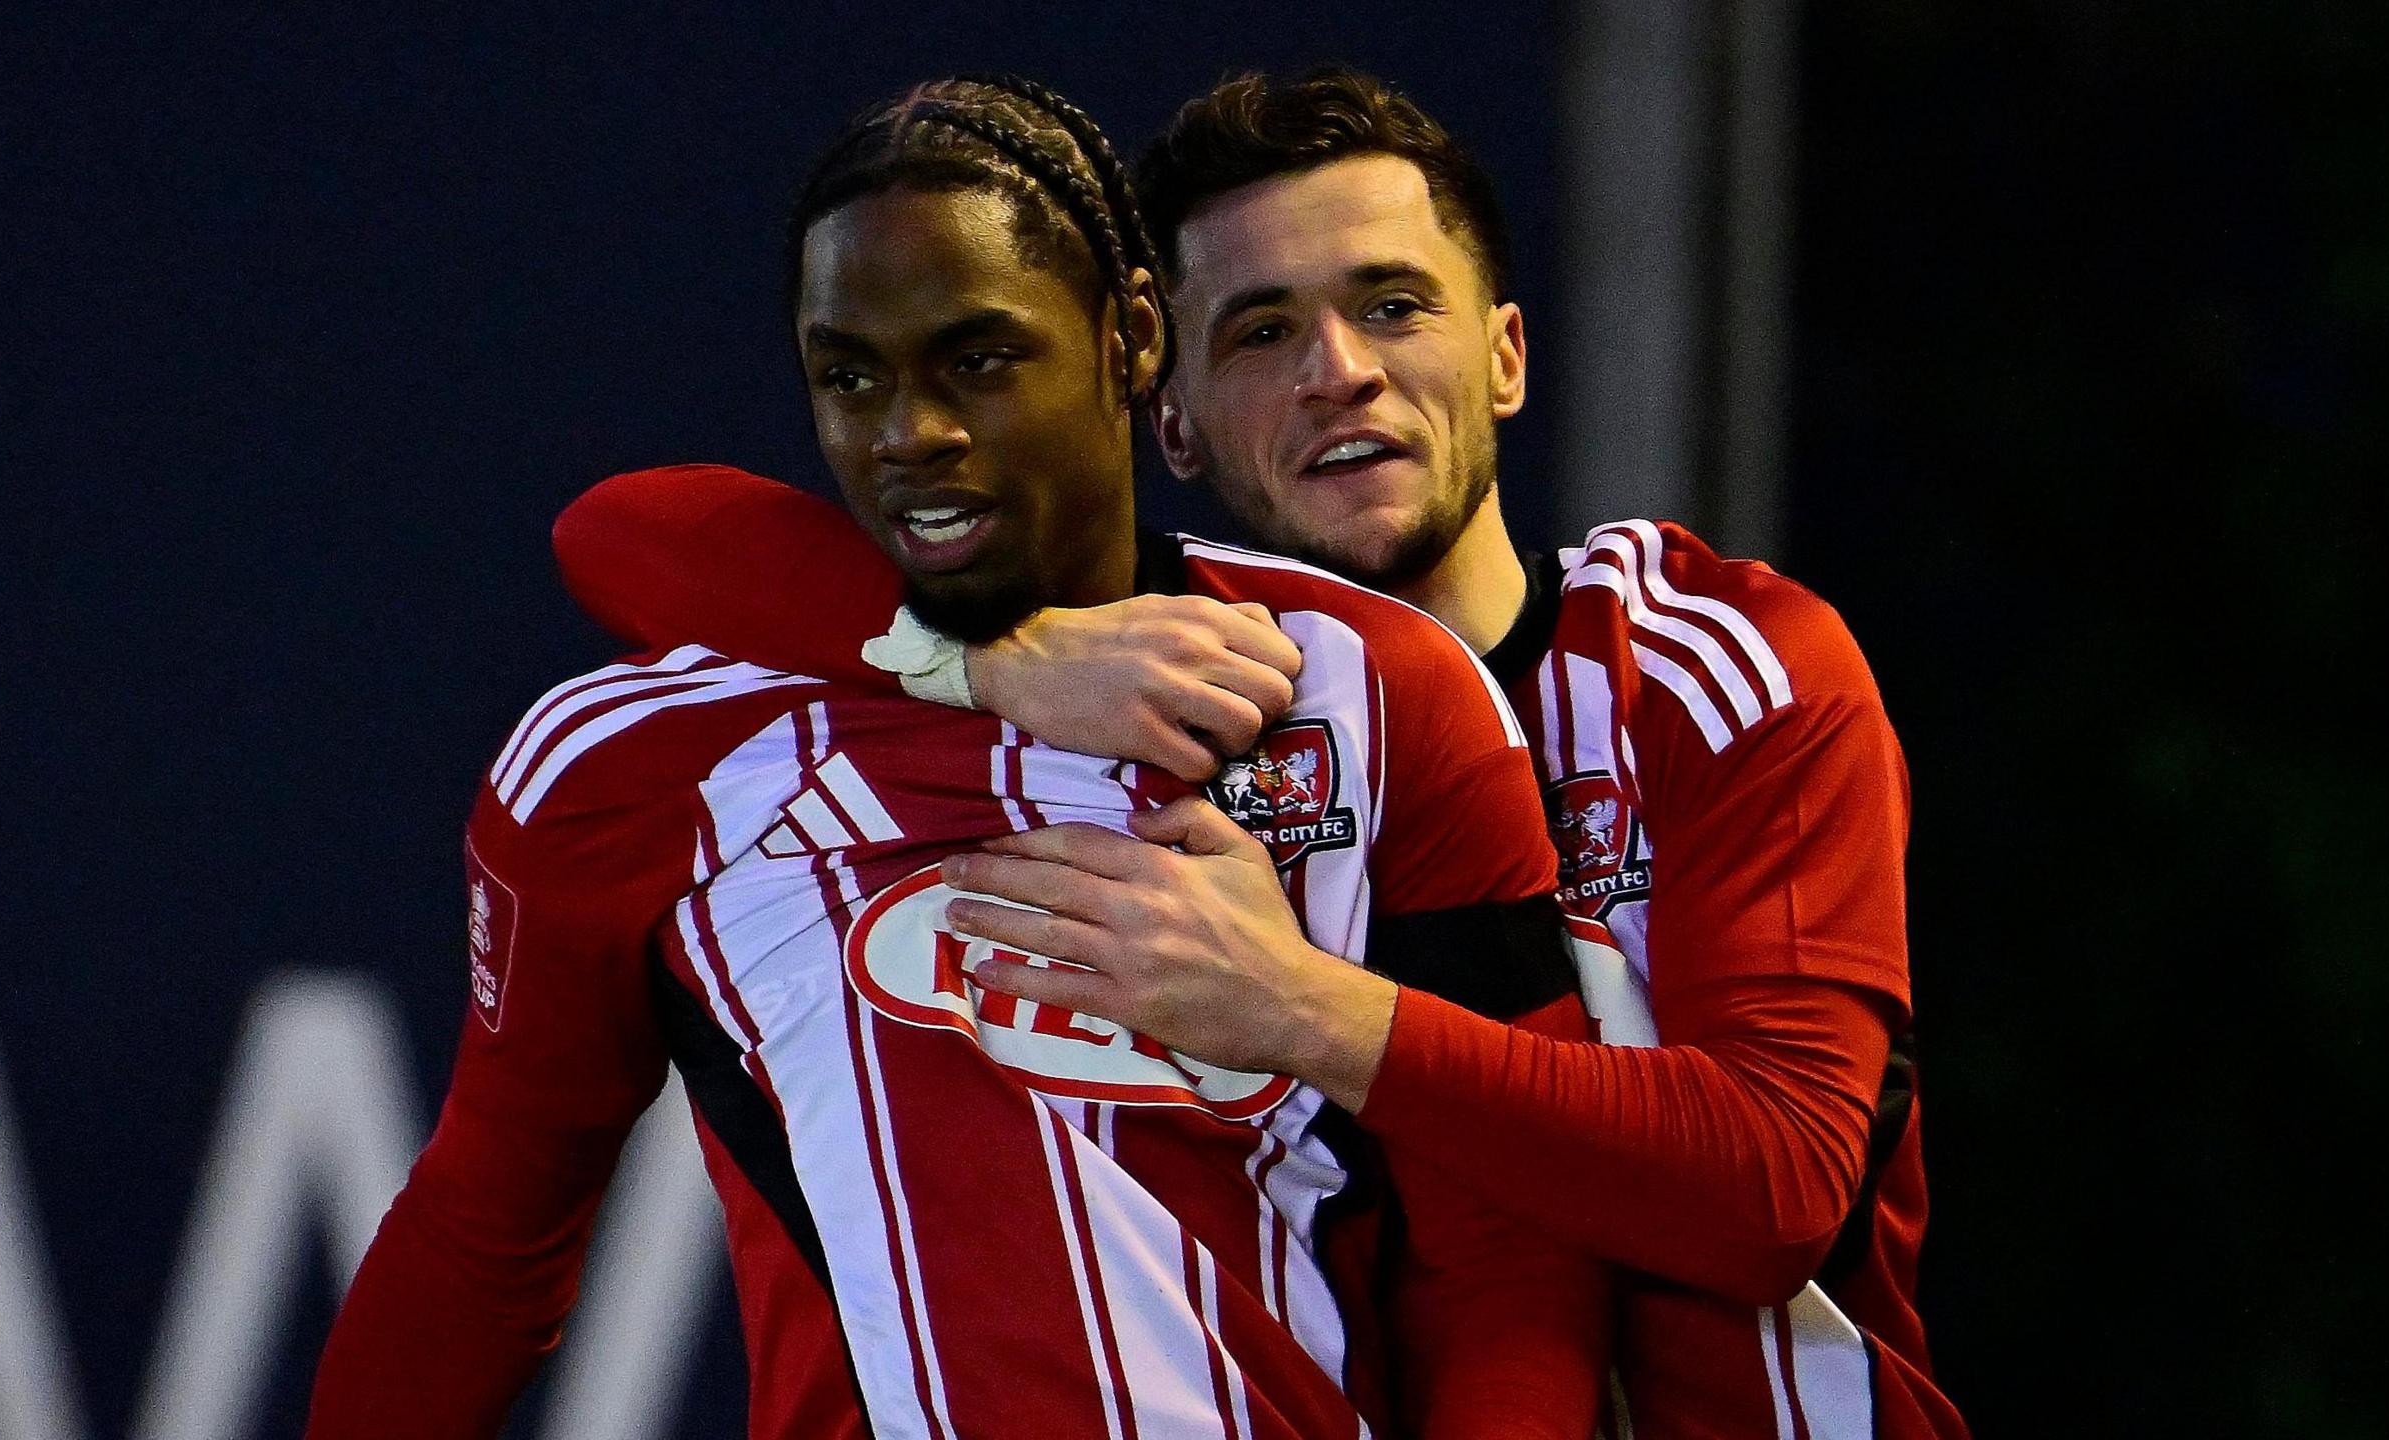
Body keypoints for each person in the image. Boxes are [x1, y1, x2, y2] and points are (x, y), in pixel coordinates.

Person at [559, 68, 1969, 1439]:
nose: (1340, 374)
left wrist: (1302, 1008)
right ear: (1160, 405)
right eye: (1260, 333)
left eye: (1393, 306)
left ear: (1508, 356)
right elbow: (620, 530)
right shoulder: (1097, 722)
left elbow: (1773, 1181)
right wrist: (977, 653)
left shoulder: (1699, 665)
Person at [307, 76, 1610, 1440]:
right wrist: (981, 658)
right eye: (848, 376)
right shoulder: (628, 762)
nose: (906, 434)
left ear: (1132, 339)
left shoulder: (1376, 696)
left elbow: (1508, 1247)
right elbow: (482, 1241)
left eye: (978, 360)